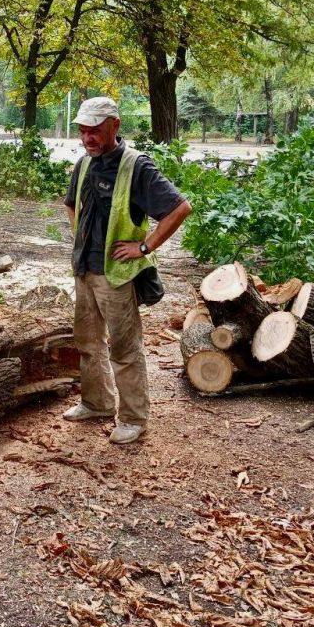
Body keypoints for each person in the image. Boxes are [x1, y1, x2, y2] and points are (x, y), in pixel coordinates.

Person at [62, 97, 192, 444]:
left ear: (115, 126)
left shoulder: (137, 166)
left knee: (124, 347)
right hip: (85, 270)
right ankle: (96, 403)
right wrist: (80, 238)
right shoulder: (84, 164)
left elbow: (180, 208)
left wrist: (144, 247)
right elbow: (70, 205)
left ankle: (134, 418)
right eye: (83, 131)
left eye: (94, 130)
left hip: (117, 275)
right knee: (88, 342)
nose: (87, 138)